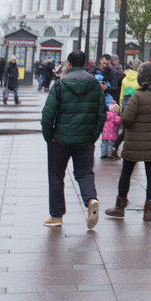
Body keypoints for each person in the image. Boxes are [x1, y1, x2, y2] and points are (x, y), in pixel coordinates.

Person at [39, 50, 105, 228]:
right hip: (85, 139)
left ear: (68, 64)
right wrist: (93, 135)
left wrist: (49, 137)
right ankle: (91, 200)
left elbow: (47, 115)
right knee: (84, 173)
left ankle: (56, 215)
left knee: (56, 176)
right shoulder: (95, 85)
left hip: (60, 139)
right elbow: (102, 114)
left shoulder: (60, 85)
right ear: (84, 63)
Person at [105, 62, 151, 223]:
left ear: (142, 76)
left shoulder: (138, 95)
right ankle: (149, 211)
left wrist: (119, 114)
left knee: (126, 174)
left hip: (134, 142)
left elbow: (127, 120)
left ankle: (120, 207)